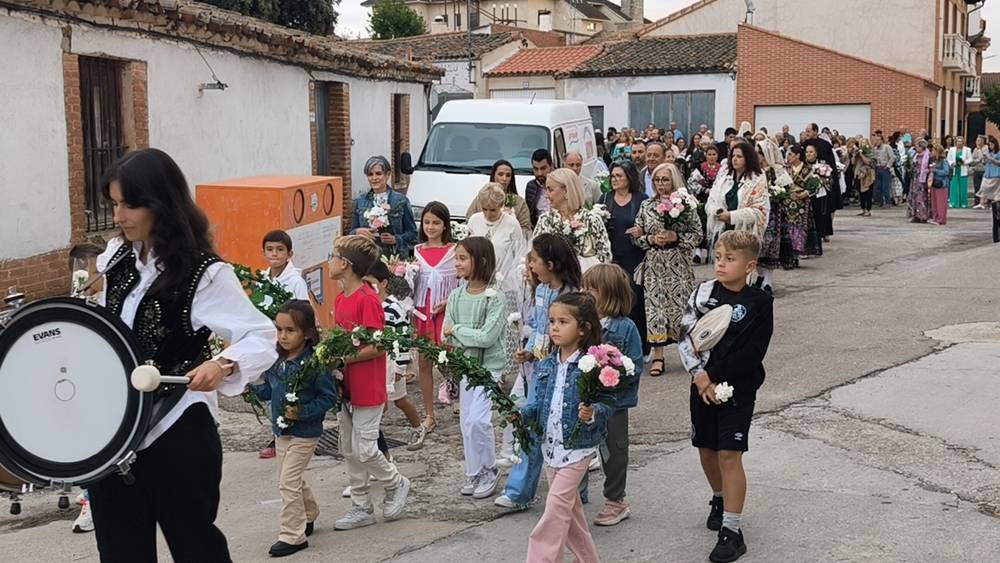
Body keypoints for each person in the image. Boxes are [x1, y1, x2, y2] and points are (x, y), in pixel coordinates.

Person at [89, 148, 277, 562]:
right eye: (114, 204)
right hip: (114, 431)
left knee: (196, 548)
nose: (118, 216)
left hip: (177, 428)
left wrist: (222, 363)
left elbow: (261, 335)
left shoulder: (203, 273)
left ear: (160, 202)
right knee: (120, 553)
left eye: (129, 204)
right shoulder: (114, 259)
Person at [678, 230, 774, 563]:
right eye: (718, 257)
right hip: (700, 386)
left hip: (737, 388)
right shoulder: (703, 294)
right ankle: (719, 498)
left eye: (729, 259)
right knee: (706, 450)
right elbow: (686, 336)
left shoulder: (760, 303)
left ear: (750, 265)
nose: (720, 263)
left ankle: (732, 531)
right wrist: (699, 377)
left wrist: (713, 376)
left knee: (729, 455)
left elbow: (752, 354)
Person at [328, 235, 411, 530]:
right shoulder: (340, 299)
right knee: (349, 449)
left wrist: (343, 360)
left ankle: (396, 482)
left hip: (368, 386)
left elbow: (379, 345)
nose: (330, 260)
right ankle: (361, 506)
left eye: (333, 255)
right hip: (346, 387)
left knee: (365, 448)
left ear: (346, 265)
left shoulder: (367, 299)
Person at [522, 292, 611, 563]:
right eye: (551, 321)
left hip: (578, 448)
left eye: (563, 321)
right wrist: (520, 417)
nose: (555, 327)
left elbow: (609, 403)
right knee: (570, 513)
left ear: (583, 328)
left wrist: (592, 412)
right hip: (551, 446)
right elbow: (536, 403)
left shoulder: (593, 365)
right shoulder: (547, 363)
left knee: (555, 509)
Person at [495, 234, 582, 510]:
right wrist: (530, 350)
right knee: (528, 423)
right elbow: (539, 327)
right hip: (538, 369)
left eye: (534, 259)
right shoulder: (541, 290)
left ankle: (576, 490)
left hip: (562, 371)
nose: (530, 264)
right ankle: (520, 491)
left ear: (552, 264)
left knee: (566, 427)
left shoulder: (571, 296)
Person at [251, 300, 336, 558]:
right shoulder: (277, 361)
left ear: (307, 333)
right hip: (281, 431)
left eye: (290, 330)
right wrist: (252, 384)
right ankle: (308, 514)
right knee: (292, 479)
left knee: (287, 481)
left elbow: (328, 397)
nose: (283, 336)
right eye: (279, 330)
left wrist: (302, 411)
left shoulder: (314, 364)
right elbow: (269, 391)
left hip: (305, 432)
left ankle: (292, 535)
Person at [442, 237, 508, 500]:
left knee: (479, 420)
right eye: (456, 258)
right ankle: (474, 471)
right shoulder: (456, 296)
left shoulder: (495, 298)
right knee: (466, 423)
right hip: (465, 367)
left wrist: (458, 330)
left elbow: (487, 337)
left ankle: (489, 469)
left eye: (462, 258)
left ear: (479, 261)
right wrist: (459, 333)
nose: (456, 263)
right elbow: (444, 335)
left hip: (488, 368)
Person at [581, 264, 644, 527]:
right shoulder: (584, 324)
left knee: (613, 451)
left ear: (610, 294)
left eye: (591, 289)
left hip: (614, 402)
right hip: (586, 399)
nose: (585, 293)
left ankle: (616, 499)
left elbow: (636, 364)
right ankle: (575, 494)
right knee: (580, 445)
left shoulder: (625, 327)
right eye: (584, 287)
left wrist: (615, 372)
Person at [633, 163, 702, 377]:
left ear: (673, 180)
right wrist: (650, 238)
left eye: (665, 180)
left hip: (678, 264)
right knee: (655, 309)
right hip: (655, 264)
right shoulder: (646, 205)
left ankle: (691, 353)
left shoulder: (685, 204)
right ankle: (658, 356)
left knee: (683, 309)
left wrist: (677, 237)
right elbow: (636, 236)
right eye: (657, 180)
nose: (661, 184)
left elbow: (698, 234)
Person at [258, 229, 310, 460]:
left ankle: (287, 431)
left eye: (280, 250)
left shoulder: (295, 281)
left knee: (286, 386)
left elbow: (304, 311)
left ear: (290, 254)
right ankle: (278, 430)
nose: (274, 254)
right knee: (271, 385)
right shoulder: (261, 278)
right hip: (267, 340)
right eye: (270, 249)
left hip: (289, 342)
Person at [363, 261, 424, 450]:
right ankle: (373, 438)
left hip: (393, 361)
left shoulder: (393, 308)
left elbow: (404, 338)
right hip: (376, 362)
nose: (367, 288)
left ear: (383, 283)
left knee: (400, 400)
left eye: (371, 283)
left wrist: (400, 367)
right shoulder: (369, 305)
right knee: (382, 401)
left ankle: (418, 428)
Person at [411, 202, 459, 438]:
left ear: (445, 225)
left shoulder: (452, 251)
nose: (431, 227)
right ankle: (429, 413)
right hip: (422, 313)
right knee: (424, 363)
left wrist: (448, 303)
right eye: (427, 222)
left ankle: (455, 395)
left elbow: (460, 284)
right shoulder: (417, 251)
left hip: (444, 313)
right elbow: (412, 285)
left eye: (436, 223)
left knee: (449, 359)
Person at [598, 160, 649, 357]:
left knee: (636, 302)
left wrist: (641, 231)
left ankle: (642, 346)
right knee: (614, 300)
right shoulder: (604, 199)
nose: (615, 180)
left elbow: (649, 224)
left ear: (629, 178)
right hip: (613, 257)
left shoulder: (641, 200)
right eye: (613, 176)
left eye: (619, 176)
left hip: (634, 257)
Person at [533, 168, 612, 272]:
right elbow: (535, 253)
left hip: (587, 282)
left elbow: (605, 257)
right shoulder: (545, 220)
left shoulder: (591, 219)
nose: (546, 195)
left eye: (550, 189)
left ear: (566, 191)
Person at [705, 142, 770, 253]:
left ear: (748, 158)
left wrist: (731, 216)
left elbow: (760, 210)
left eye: (739, 156)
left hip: (743, 234)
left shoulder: (757, 178)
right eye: (733, 156)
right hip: (722, 230)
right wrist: (717, 212)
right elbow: (711, 200)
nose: (735, 159)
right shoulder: (724, 176)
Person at [350, 156, 418, 258]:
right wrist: (357, 232)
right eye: (370, 174)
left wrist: (396, 239)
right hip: (367, 256)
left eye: (378, 173)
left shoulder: (401, 200)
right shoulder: (360, 201)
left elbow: (412, 233)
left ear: (388, 175)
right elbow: (351, 232)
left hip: (394, 256)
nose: (374, 178)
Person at [466, 160, 533, 233]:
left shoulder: (519, 202)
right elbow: (469, 219)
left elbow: (525, 228)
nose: (504, 179)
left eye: (508, 175)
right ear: (493, 175)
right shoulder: (482, 197)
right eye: (500, 174)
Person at [782, 146, 815, 269]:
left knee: (800, 228)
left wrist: (805, 193)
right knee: (788, 229)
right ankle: (789, 255)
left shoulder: (808, 169)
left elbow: (814, 186)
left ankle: (798, 253)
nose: (788, 157)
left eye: (791, 154)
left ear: (797, 155)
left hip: (802, 203)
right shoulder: (786, 169)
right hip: (787, 202)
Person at [525, 149, 554, 228]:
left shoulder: (562, 183)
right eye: (536, 169)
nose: (539, 173)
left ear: (551, 166)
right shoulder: (531, 187)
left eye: (543, 168)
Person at [907, 140, 932, 223]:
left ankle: (923, 216)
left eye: (917, 146)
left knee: (922, 198)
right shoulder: (916, 155)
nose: (916, 148)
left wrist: (927, 171)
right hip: (915, 179)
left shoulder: (928, 156)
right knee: (914, 197)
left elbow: (931, 167)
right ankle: (915, 215)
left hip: (923, 179)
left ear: (922, 147)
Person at [929, 144, 952, 225]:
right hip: (934, 183)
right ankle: (935, 218)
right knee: (934, 202)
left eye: (933, 150)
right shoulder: (934, 161)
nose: (932, 152)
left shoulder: (944, 161)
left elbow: (946, 172)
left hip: (942, 184)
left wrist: (935, 170)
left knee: (941, 203)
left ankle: (941, 219)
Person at [947, 136, 972, 209]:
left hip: (963, 169)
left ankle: (963, 203)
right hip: (955, 169)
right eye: (958, 141)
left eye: (961, 141)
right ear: (955, 142)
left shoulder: (967, 150)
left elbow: (970, 159)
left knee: (963, 187)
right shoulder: (951, 150)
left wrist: (965, 162)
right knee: (954, 187)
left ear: (963, 142)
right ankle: (953, 202)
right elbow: (948, 159)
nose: (959, 143)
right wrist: (952, 163)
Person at [977, 136, 1000, 208]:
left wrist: (991, 159)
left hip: (995, 173)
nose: (990, 146)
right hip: (987, 173)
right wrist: (984, 159)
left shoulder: (998, 153)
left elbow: (999, 163)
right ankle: (982, 203)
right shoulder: (989, 153)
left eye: (992, 145)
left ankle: (994, 204)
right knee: (983, 187)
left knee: (995, 191)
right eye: (989, 145)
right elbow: (985, 163)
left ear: (995, 144)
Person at [972, 135, 989, 208]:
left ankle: (985, 202)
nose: (977, 142)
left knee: (985, 187)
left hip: (984, 170)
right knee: (976, 186)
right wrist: (978, 160)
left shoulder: (986, 148)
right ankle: (976, 202)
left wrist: (980, 156)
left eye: (979, 140)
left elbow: (985, 158)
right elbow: (973, 160)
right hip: (976, 170)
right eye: (976, 140)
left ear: (982, 141)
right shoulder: (975, 149)